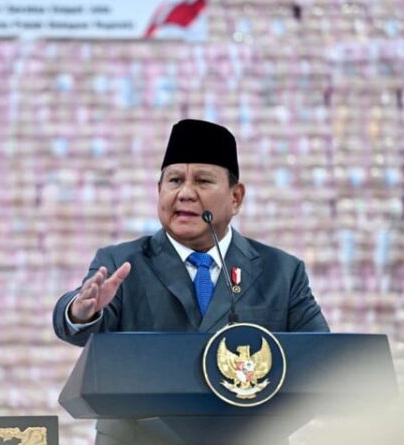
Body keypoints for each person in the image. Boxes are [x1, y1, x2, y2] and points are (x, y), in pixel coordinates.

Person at [52, 119, 329, 445]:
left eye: (202, 181)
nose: (185, 193)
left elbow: (324, 360)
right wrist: (81, 311)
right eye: (174, 180)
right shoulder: (121, 263)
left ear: (236, 197)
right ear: (159, 191)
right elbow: (78, 326)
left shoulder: (281, 271)